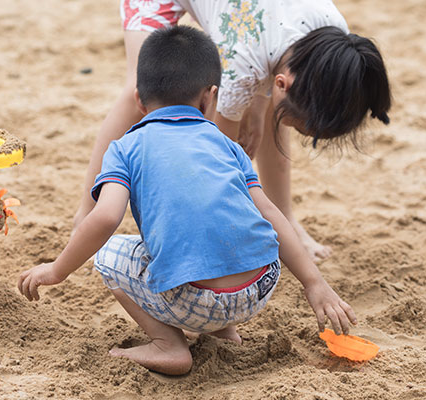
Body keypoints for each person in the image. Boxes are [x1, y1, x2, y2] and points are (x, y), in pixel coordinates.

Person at [19, 26, 357, 376]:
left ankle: (168, 345)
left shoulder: (124, 147)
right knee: (224, 230)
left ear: (139, 100)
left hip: (194, 300)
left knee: (110, 255)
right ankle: (224, 331)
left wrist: (56, 270)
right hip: (259, 288)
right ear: (209, 98)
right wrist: (313, 283)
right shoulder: (227, 145)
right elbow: (270, 213)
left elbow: (105, 219)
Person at [74, 0, 391, 263]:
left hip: (249, 22)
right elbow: (215, 156)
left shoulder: (333, 42)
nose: (304, 135)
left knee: (272, 111)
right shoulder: (243, 63)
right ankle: (85, 219)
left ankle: (285, 218)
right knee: (141, 89)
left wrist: (259, 102)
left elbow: (270, 79)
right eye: (302, 127)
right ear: (280, 84)